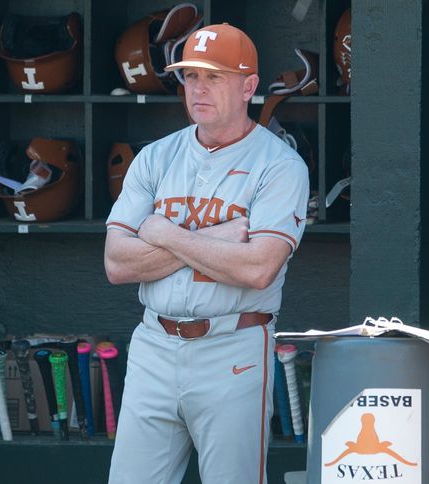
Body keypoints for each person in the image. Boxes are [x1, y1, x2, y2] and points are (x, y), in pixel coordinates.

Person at [104, 23, 310, 484]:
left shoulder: (280, 166)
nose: (197, 88)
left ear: (249, 87)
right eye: (190, 76)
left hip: (233, 347)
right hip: (153, 346)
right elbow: (117, 263)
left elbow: (258, 268)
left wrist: (161, 232)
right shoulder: (154, 158)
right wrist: (215, 237)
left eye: (214, 77)